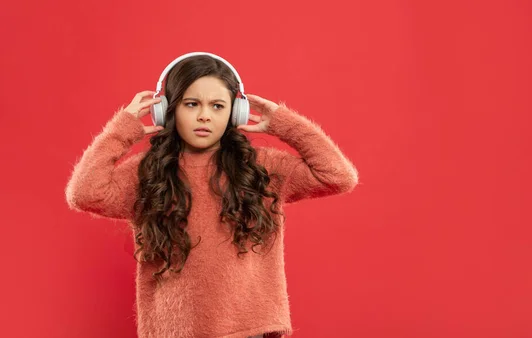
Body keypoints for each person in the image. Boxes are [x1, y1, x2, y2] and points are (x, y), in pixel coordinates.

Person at [65, 54, 359, 338]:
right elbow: (85, 192)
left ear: (235, 111)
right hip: (176, 331)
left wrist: (284, 123)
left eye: (218, 106)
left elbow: (337, 176)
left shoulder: (260, 167)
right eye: (191, 104)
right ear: (168, 109)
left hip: (250, 330)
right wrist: (122, 130)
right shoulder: (148, 173)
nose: (204, 115)